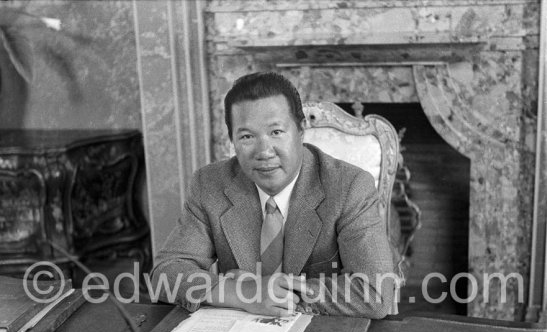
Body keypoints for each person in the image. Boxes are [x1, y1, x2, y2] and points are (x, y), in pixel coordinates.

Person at [151, 72, 396, 318]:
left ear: (300, 130)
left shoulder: (349, 186)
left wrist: (274, 295)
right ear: (232, 141)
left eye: (276, 132)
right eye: (247, 137)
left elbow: (375, 293)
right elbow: (166, 272)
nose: (264, 151)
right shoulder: (210, 184)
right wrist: (243, 292)